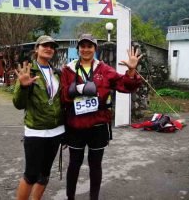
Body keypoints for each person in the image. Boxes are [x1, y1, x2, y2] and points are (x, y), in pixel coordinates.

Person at [61, 33, 142, 200]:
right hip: (76, 125)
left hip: (98, 126)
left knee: (95, 165)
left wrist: (132, 70)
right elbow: (62, 96)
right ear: (78, 49)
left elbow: (126, 86)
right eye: (82, 46)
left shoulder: (104, 69)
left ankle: (94, 198)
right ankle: (70, 197)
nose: (85, 49)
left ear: (95, 49)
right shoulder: (68, 70)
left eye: (89, 46)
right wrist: (75, 90)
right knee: (74, 165)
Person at [13, 35, 65, 200]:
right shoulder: (28, 71)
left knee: (44, 174)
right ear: (37, 49)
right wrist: (22, 86)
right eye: (45, 45)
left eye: (52, 46)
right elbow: (18, 104)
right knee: (31, 175)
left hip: (56, 132)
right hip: (36, 132)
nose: (49, 48)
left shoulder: (57, 73)